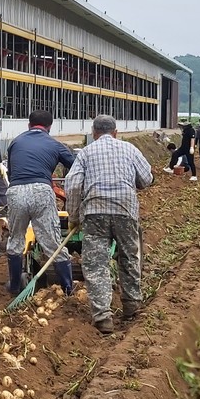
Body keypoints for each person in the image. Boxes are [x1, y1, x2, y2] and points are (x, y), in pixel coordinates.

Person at [65, 115, 153, 334]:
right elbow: (146, 179)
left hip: (95, 212)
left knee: (96, 264)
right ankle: (131, 304)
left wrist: (74, 216)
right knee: (129, 256)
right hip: (125, 210)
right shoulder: (130, 149)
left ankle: (103, 316)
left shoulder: (86, 153)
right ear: (115, 132)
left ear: (94, 133)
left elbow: (73, 185)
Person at [5, 110, 76, 296]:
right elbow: (75, 166)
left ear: (29, 125)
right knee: (52, 242)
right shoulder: (55, 144)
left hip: (16, 191)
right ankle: (68, 289)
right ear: (49, 127)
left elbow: (11, 172)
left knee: (16, 240)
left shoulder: (16, 142)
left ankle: (14, 287)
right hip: (41, 191)